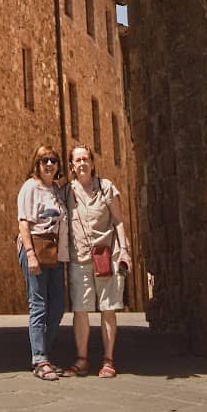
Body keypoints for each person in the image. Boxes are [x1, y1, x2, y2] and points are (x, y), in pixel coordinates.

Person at [64, 142, 131, 378]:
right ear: (71, 165)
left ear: (92, 162)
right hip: (79, 258)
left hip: (105, 256)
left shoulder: (106, 188)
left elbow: (118, 221)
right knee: (80, 310)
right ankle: (82, 359)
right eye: (77, 160)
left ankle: (108, 360)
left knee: (108, 308)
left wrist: (124, 249)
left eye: (85, 159)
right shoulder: (66, 192)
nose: (82, 163)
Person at [16, 143, 68, 380]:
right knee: (38, 304)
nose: (49, 164)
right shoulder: (30, 188)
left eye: (53, 160)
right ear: (36, 164)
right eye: (44, 160)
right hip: (35, 247)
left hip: (54, 251)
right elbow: (24, 222)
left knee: (57, 304)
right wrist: (29, 254)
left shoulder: (57, 190)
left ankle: (43, 353)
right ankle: (39, 358)